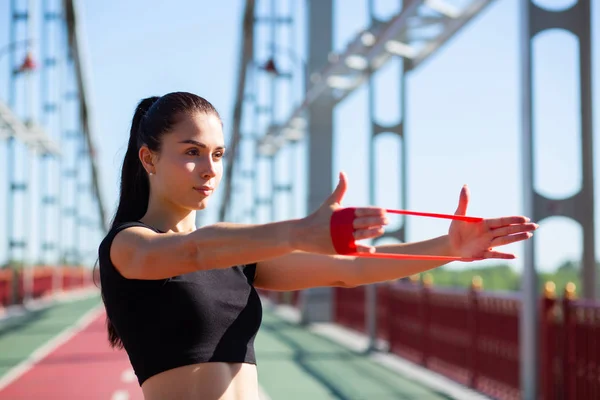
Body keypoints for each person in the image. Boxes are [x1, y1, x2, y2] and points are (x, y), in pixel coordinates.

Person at [98, 91, 538, 400]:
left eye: (218, 154)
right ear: (149, 157)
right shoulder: (128, 246)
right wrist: (299, 231)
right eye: (191, 151)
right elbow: (195, 252)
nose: (209, 169)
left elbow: (347, 270)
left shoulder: (235, 256)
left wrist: (447, 247)